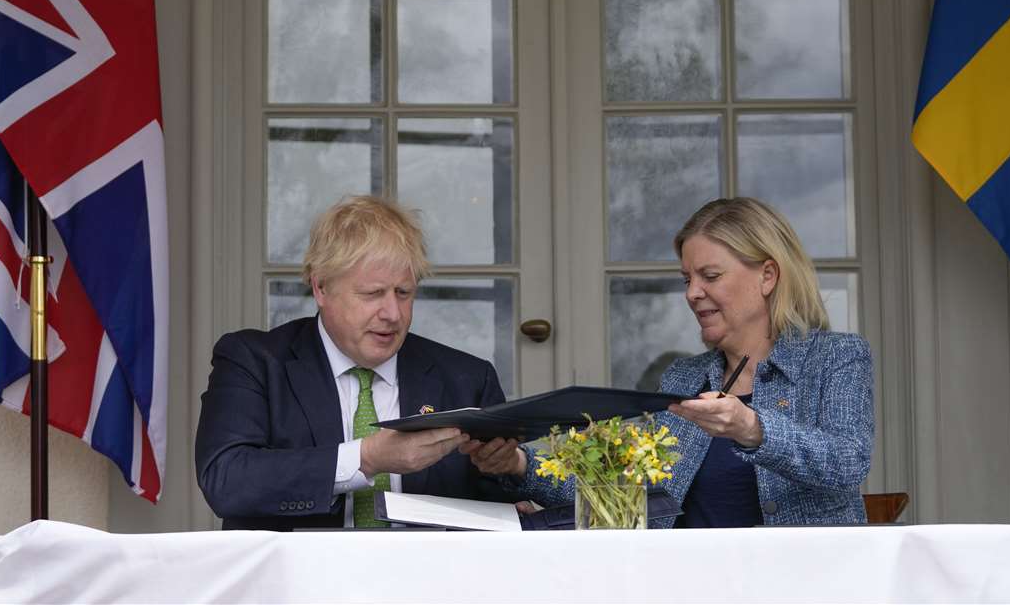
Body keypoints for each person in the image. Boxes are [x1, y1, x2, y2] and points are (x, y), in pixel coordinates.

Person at [466, 196, 874, 526]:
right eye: (687, 279)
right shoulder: (685, 376)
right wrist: (519, 464)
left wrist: (753, 428)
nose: (692, 293)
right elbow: (626, 493)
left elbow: (847, 463)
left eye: (710, 276)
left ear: (767, 276)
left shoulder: (835, 358)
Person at [195, 195, 513, 529]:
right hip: (298, 577)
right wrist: (366, 458)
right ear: (320, 287)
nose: (392, 314)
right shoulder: (254, 361)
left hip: (428, 577)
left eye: (403, 293)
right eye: (372, 294)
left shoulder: (467, 379)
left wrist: (511, 470)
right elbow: (226, 480)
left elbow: (501, 512)